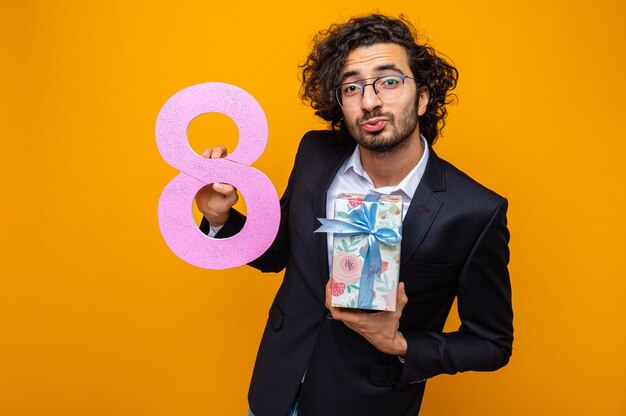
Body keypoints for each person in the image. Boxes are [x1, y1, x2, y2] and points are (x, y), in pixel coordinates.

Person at [196, 14, 513, 416]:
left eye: (389, 81)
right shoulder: (315, 155)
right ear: (340, 102)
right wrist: (221, 217)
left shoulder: (475, 211)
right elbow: (276, 253)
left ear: (423, 97)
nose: (370, 100)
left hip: (369, 403)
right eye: (352, 87)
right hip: (273, 393)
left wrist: (399, 344)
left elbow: (492, 344)